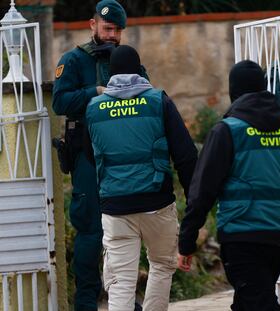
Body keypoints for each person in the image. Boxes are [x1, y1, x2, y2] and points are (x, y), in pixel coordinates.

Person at [178, 60, 280, 311]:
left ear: (234, 92)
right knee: (250, 299)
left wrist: (187, 241)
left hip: (242, 234)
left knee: (258, 302)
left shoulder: (227, 131)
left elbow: (202, 191)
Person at [84, 45, 198, 311]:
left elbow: (92, 156)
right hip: (156, 202)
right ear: (139, 70)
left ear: (109, 74)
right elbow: (186, 155)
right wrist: (195, 202)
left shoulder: (94, 108)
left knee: (121, 279)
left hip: (115, 206)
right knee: (161, 265)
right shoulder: (159, 101)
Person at [52, 1, 147, 310]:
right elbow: (60, 102)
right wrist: (95, 92)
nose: (113, 35)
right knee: (91, 232)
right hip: (88, 159)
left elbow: (149, 96)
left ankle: (124, 301)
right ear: (92, 25)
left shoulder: (127, 58)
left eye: (118, 30)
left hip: (124, 159)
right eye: (108, 28)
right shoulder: (74, 60)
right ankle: (86, 303)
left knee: (125, 230)